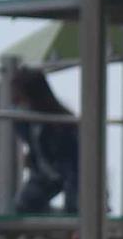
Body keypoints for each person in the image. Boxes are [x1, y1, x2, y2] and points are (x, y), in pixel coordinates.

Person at [10, 67, 79, 214]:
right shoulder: (25, 122)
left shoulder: (62, 124)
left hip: (68, 171)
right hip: (45, 173)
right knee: (23, 205)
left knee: (74, 207)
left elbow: (73, 166)